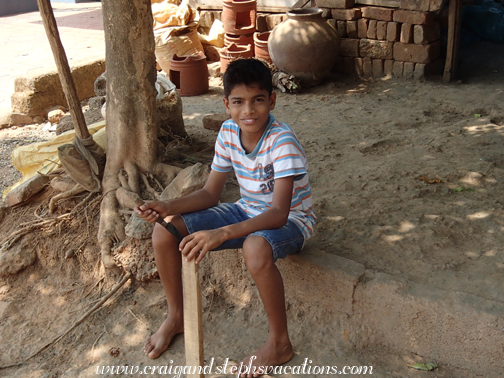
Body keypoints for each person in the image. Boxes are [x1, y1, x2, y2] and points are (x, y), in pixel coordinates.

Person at [135, 58, 316, 377]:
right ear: (226, 104)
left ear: (272, 100)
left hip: (292, 222)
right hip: (246, 209)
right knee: (164, 232)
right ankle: (176, 316)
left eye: (258, 100)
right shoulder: (229, 132)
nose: (248, 111)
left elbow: (278, 213)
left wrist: (221, 233)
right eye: (238, 102)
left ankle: (279, 343)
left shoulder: (282, 141)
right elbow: (209, 194)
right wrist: (168, 206)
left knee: (255, 248)